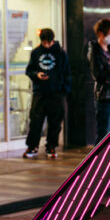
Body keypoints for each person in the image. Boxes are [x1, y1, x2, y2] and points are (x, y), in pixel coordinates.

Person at [24, 28, 72, 159]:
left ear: (52, 41)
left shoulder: (61, 53)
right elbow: (29, 70)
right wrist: (36, 75)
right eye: (44, 43)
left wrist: (64, 90)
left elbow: (67, 73)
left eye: (48, 43)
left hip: (56, 93)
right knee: (35, 120)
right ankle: (32, 146)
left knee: (55, 122)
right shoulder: (36, 53)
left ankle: (51, 146)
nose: (46, 45)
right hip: (40, 92)